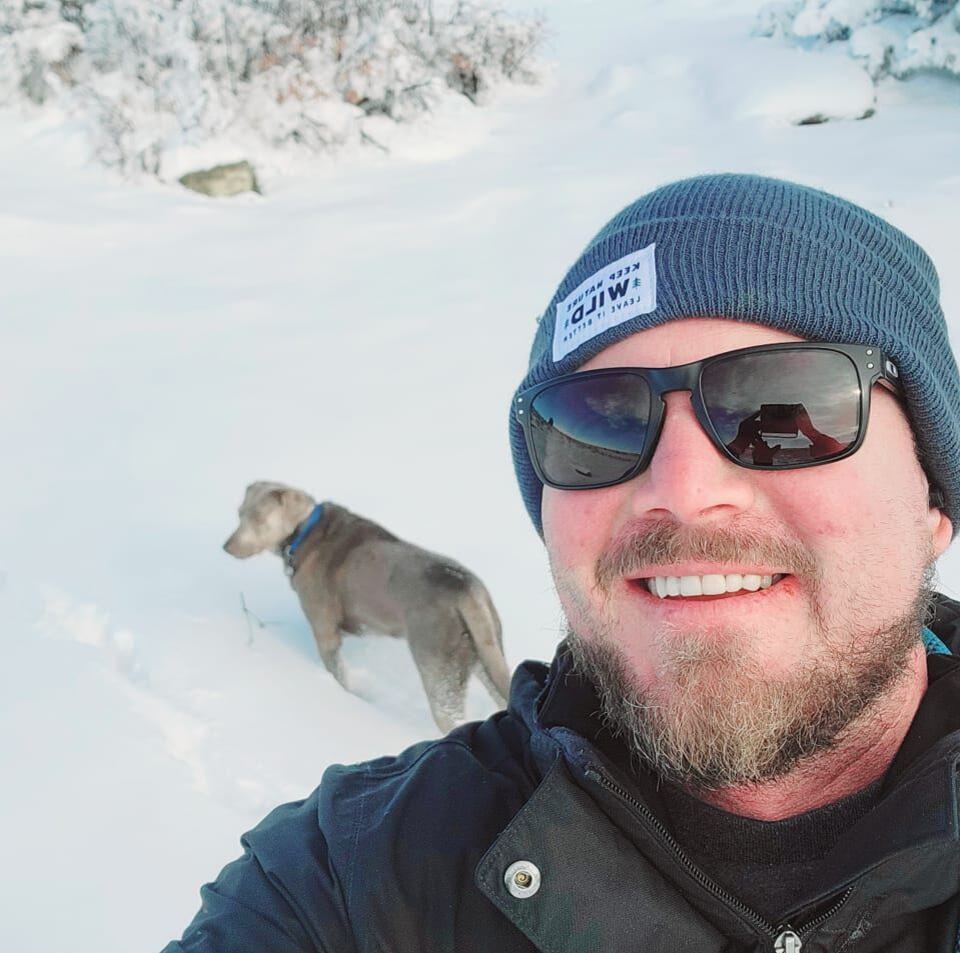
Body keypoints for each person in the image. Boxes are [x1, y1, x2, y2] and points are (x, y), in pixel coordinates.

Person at [163, 174, 960, 953]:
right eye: (598, 427)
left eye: (780, 411)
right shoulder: (348, 878)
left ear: (933, 500)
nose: (681, 490)